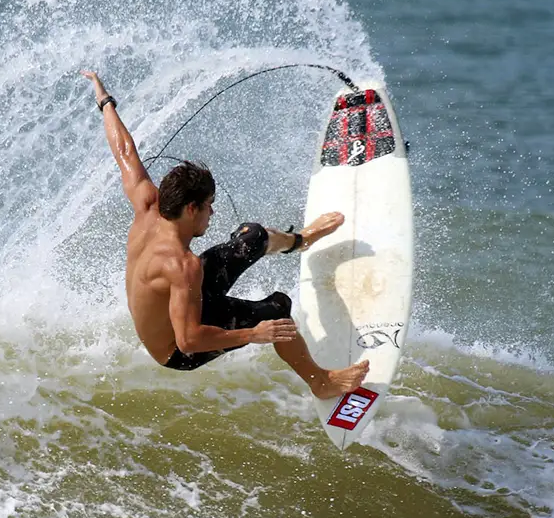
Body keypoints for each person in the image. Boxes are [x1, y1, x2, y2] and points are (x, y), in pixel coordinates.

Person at [82, 70, 369, 399]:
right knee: (277, 309)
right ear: (191, 209)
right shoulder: (182, 265)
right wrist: (253, 334)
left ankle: (301, 240)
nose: (212, 214)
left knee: (254, 236)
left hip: (183, 303)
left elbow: (125, 152)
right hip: (177, 348)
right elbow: (189, 339)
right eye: (208, 206)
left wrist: (105, 102)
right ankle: (321, 381)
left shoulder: (149, 204)